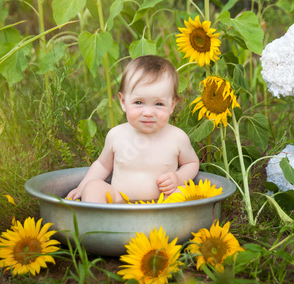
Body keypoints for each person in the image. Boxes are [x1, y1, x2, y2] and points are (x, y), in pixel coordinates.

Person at [66, 55, 200, 203]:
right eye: (139, 102)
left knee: (181, 193)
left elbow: (191, 163)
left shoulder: (177, 137)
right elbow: (102, 165)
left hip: (162, 202)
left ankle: (167, 224)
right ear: (123, 102)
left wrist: (178, 178)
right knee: (93, 187)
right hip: (119, 200)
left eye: (159, 104)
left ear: (172, 106)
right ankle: (101, 222)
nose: (148, 112)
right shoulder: (116, 135)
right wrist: (82, 187)